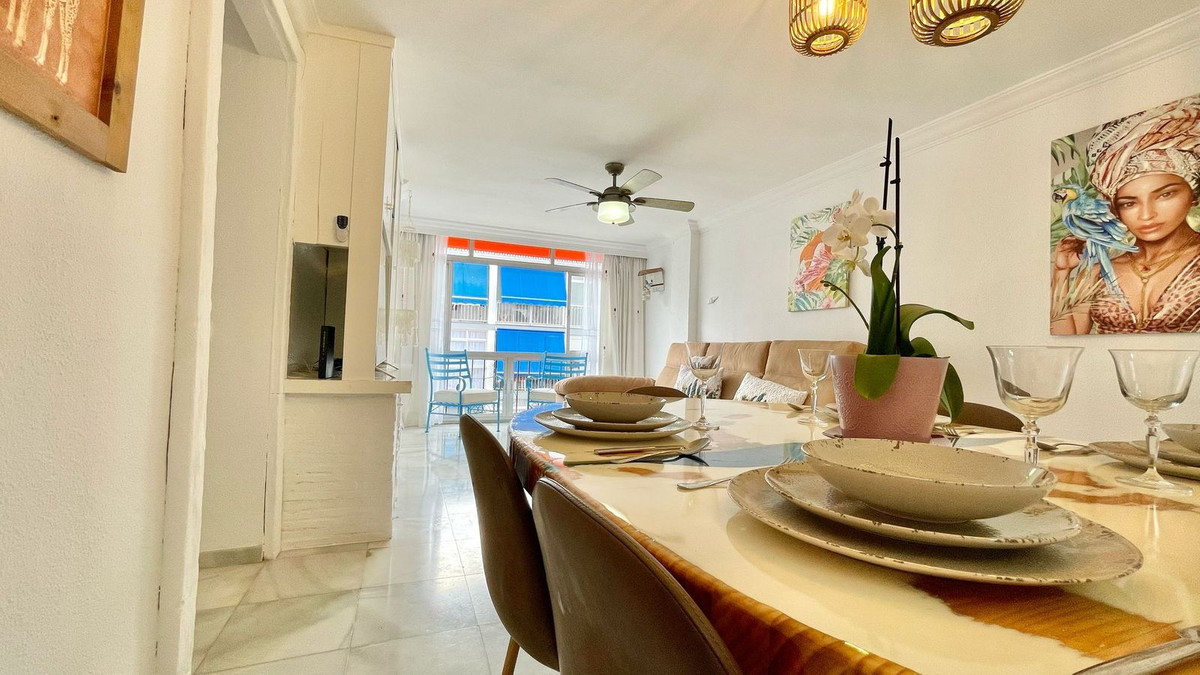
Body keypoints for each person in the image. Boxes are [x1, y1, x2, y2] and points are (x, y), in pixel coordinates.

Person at [1052, 96, 1200, 334]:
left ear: (1193, 194)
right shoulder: (1098, 271)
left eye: (1165, 194)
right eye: (1129, 203)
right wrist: (1061, 273)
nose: (1147, 214)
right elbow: (1068, 339)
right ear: (1116, 210)